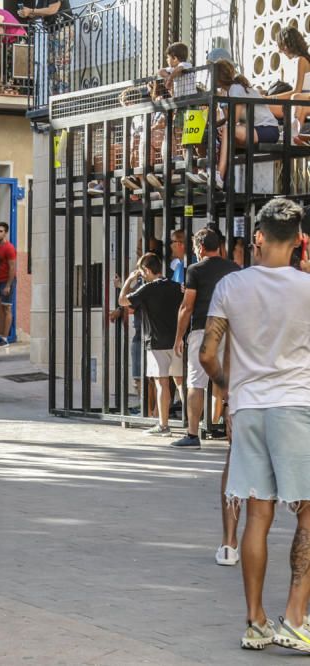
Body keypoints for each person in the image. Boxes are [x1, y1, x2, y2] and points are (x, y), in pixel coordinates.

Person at [199, 198, 310, 652]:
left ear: (258, 236)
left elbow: (207, 354)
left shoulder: (230, 285)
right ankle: (297, 618)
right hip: (296, 408)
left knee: (258, 515)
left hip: (248, 410)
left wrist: (230, 387)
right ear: (300, 240)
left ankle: (255, 621)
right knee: (306, 512)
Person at [171, 228, 239, 449]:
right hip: (228, 330)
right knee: (228, 382)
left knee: (195, 383)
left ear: (200, 248)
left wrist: (179, 337)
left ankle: (192, 434)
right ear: (219, 246)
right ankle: (234, 434)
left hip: (203, 329)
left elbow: (186, 307)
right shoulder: (234, 269)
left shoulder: (195, 270)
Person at [118, 252, 184, 435]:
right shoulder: (176, 286)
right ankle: (194, 423)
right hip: (177, 341)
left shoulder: (146, 289)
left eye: (141, 272)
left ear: (146, 270)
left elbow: (122, 301)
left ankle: (163, 426)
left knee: (161, 383)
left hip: (155, 343)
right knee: (180, 382)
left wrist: (129, 280)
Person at [189, 60, 280, 189]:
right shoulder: (229, 91)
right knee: (220, 135)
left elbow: (233, 120)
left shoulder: (235, 88)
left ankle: (219, 176)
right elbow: (229, 118)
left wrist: (222, 126)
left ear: (218, 76)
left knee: (227, 130)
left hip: (267, 130)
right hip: (253, 130)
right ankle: (213, 176)